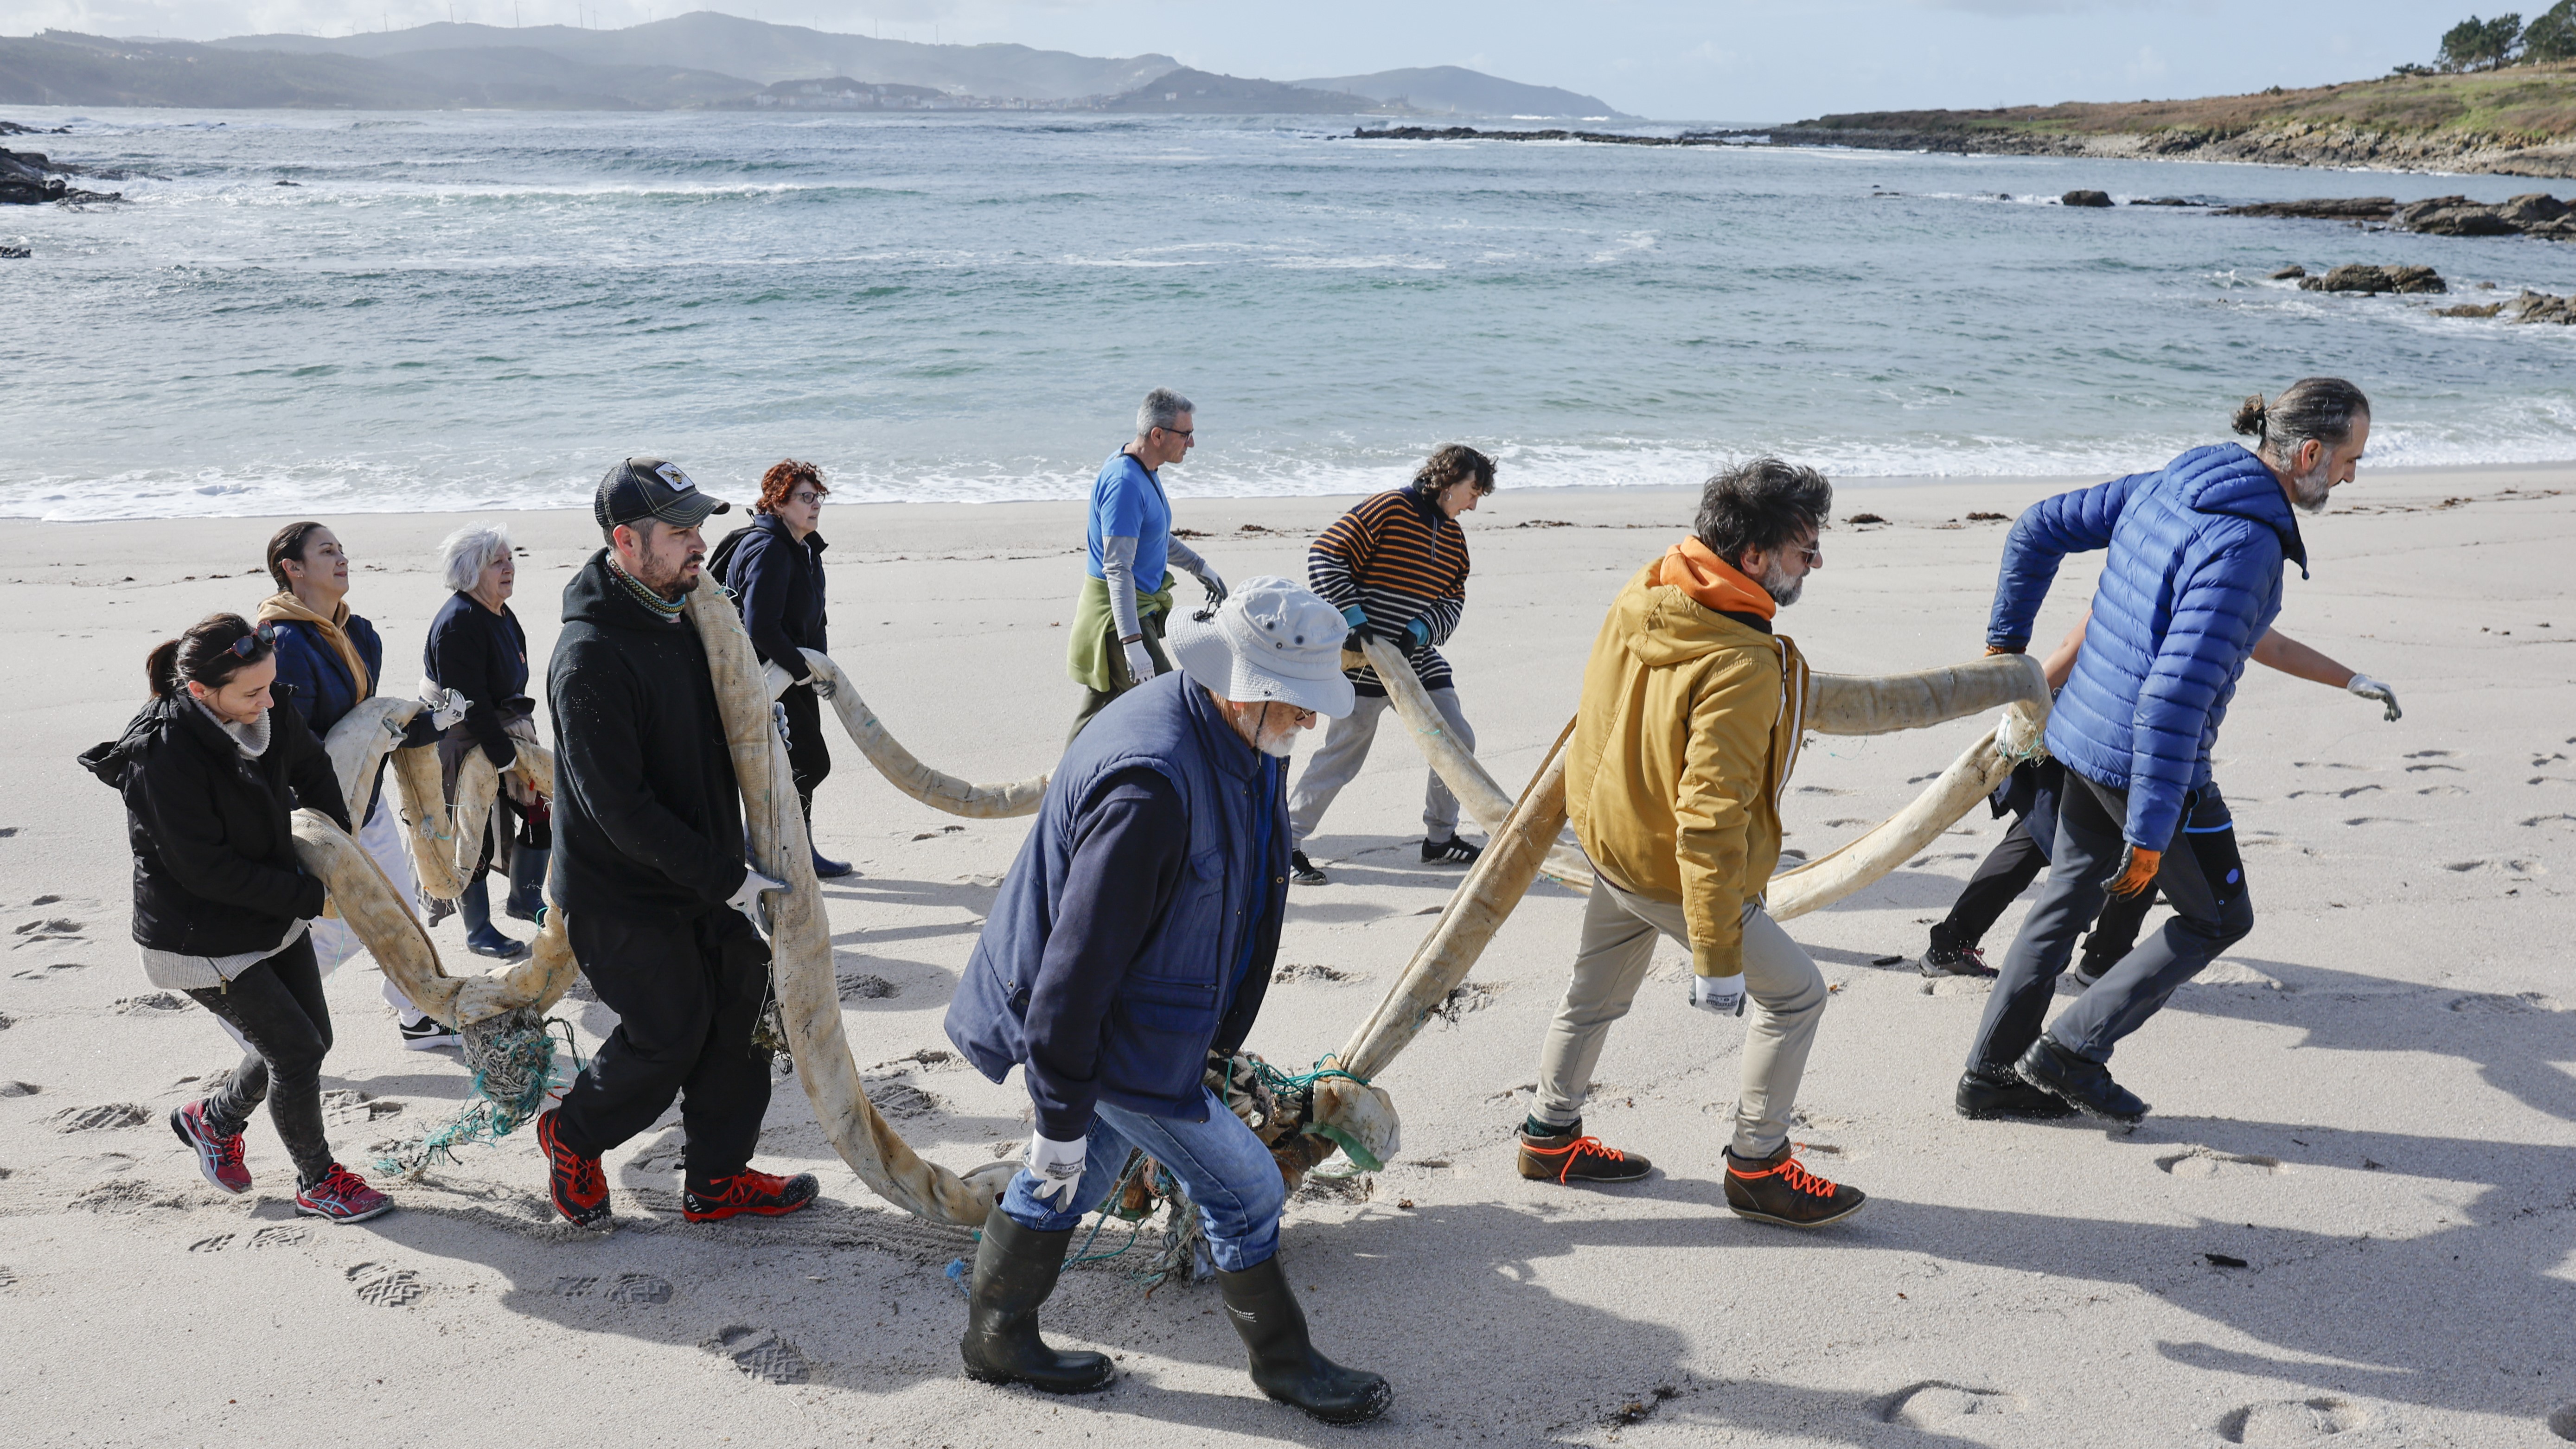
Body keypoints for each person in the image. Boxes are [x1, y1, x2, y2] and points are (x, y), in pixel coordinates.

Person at [945, 578, 1391, 1425]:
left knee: (1078, 1180)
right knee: (1248, 1190)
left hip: (1150, 1020)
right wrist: (1061, 1117)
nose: (1310, 724)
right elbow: (1069, 986)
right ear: (1242, 686)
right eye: (1298, 707)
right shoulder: (1149, 788)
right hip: (1110, 1035)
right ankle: (1286, 1363)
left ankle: (997, 1331)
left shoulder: (1239, 736)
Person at [1962, 379, 2372, 1124]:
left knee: (2065, 901)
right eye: (2348, 459)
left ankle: (1989, 1076)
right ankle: (2070, 1052)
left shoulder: (2174, 479)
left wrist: (2005, 644)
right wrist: (2149, 837)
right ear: (2308, 452)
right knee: (2218, 917)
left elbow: (2034, 528)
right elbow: (2173, 697)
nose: (2349, 475)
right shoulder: (2247, 546)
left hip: (2078, 731)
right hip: (2142, 759)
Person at [1515, 458, 1866, 1229]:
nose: (1813, 566)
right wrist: (1715, 955)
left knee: (1594, 995)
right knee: (1798, 994)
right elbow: (1709, 817)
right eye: (1805, 551)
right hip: (1672, 871)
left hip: (1611, 838)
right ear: (1753, 557)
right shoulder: (1743, 664)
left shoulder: (1652, 585)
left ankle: (1549, 1137)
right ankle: (1758, 1166)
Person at [531, 458, 818, 1230]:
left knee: (745, 1004)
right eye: (682, 531)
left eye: (700, 527)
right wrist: (733, 879)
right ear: (627, 541)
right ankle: (572, 1134)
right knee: (669, 1036)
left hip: (699, 880)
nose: (701, 544)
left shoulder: (681, 613)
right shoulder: (589, 655)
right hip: (622, 895)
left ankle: (717, 1180)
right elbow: (620, 810)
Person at [79, 614, 392, 1223]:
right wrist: (307, 896)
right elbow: (205, 871)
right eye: (252, 692)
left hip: (268, 910)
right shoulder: (161, 753)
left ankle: (212, 1120)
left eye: (271, 686)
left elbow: (310, 764)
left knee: (310, 1041)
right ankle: (317, 1180)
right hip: (200, 937)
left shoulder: (263, 706)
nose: (267, 700)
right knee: (297, 1053)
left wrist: (337, 842)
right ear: (201, 692)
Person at [1926, 614, 2402, 989]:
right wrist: (2019, 717)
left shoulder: (2205, 585)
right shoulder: (2161, 577)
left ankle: (1965, 944)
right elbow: (2071, 647)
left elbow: (2271, 644)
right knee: (2132, 843)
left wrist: (2349, 678)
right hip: (2086, 734)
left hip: (2105, 736)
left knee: (2057, 838)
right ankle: (2098, 959)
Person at [256, 521, 459, 1050]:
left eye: (342, 549)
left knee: (402, 911)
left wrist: (428, 722)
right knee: (332, 934)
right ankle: (255, 1027)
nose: (342, 558)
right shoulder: (281, 644)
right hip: (316, 814)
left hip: (364, 802)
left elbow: (365, 719)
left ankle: (418, 1013)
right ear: (292, 568)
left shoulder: (360, 633)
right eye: (327, 551)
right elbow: (288, 744)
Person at [1285, 445, 1494, 885]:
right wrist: (1352, 617)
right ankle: (1284, 843)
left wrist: (1421, 630)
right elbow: (1324, 554)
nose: (1475, 504)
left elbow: (1453, 600)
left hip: (1416, 659)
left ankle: (1439, 840)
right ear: (1449, 480)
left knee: (1456, 740)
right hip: (1363, 659)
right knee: (1343, 754)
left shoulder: (1454, 538)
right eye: (1473, 492)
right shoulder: (1390, 507)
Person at [1064, 388, 1229, 739]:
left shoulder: (1144, 468)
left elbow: (1154, 537)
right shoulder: (1125, 483)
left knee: (1099, 705)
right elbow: (1118, 569)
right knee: (1169, 704)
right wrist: (1132, 644)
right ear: (1157, 435)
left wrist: (1199, 567)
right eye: (1185, 435)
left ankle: (1067, 785)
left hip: (1136, 608)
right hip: (1118, 618)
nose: (1192, 444)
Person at [716, 458, 851, 880]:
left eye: (819, 497)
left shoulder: (804, 546)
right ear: (779, 502)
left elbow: (814, 619)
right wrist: (803, 670)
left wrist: (819, 670)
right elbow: (760, 627)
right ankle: (759, 840)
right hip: (770, 679)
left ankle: (796, 847)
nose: (815, 505)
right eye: (805, 497)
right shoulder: (771, 550)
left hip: (797, 677)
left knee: (801, 763)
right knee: (811, 762)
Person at [423, 523, 547, 960]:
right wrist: (506, 756)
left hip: (505, 728)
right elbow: (469, 703)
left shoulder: (499, 611)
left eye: (511, 558)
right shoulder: (459, 623)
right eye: (497, 561)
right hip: (463, 738)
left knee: (539, 809)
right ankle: (478, 930)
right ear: (470, 571)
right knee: (470, 835)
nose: (509, 567)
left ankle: (526, 898)